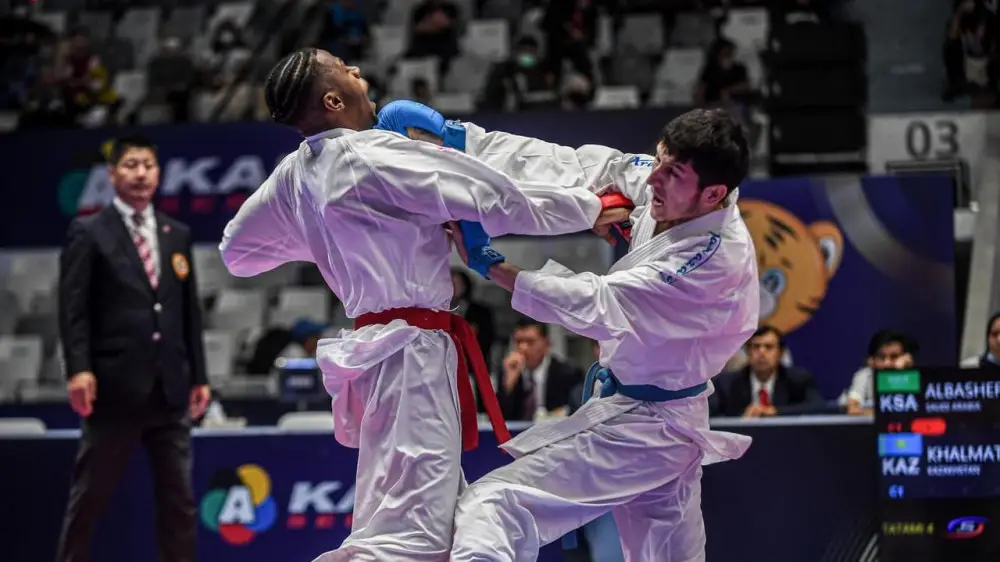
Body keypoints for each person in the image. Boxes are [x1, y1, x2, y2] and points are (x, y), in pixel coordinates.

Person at [218, 48, 629, 562]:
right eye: (345, 69)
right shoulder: (375, 153)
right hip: (411, 354)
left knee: (426, 525)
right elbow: (492, 195)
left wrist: (341, 234)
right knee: (411, 537)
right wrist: (588, 207)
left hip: (375, 353)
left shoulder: (294, 175)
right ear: (333, 100)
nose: (359, 73)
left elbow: (237, 253)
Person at [441, 108, 760, 561]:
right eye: (658, 160)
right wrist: (463, 140)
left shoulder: (712, 259)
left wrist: (493, 265)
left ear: (713, 194)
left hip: (647, 428)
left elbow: (596, 301)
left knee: (493, 506)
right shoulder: (681, 193)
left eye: (672, 174)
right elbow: (578, 166)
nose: (653, 179)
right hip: (661, 421)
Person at [57, 135, 210, 562]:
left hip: (169, 390)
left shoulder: (176, 234)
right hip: (114, 390)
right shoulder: (89, 231)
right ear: (112, 175)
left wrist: (199, 376)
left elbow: (188, 311)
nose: (140, 173)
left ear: (158, 173)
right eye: (130, 165)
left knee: (179, 503)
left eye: (148, 165)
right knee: (89, 498)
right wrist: (78, 369)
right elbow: (73, 309)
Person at [709, 325, 825, 418]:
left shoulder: (798, 379)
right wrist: (743, 416)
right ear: (748, 352)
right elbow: (711, 414)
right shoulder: (726, 383)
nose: (762, 353)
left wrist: (776, 411)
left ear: (780, 353)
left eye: (768, 347)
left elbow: (816, 407)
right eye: (756, 347)